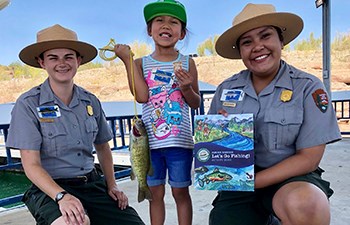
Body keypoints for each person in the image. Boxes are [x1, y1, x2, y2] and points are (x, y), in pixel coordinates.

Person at [208, 3, 341, 225]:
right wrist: (218, 138)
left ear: (281, 41)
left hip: (292, 178)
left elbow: (309, 158)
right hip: (240, 183)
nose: (257, 46)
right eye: (247, 42)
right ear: (240, 51)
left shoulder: (308, 87)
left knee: (307, 205)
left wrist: (253, 181)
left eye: (265, 36)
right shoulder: (226, 89)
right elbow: (213, 155)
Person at [6, 24, 145, 225]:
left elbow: (103, 146)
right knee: (74, 223)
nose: (62, 63)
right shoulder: (28, 104)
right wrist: (61, 196)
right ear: (41, 62)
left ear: (78, 61)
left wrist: (112, 185)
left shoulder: (91, 101)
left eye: (68, 57)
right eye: (53, 57)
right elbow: (31, 164)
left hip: (92, 184)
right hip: (49, 189)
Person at [114, 1, 200, 224]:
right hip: (149, 145)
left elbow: (195, 102)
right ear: (150, 30)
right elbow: (142, 96)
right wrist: (127, 61)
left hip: (180, 143)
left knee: (181, 193)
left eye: (174, 22)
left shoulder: (188, 62)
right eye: (159, 21)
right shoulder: (141, 63)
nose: (166, 26)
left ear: (181, 34)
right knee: (155, 195)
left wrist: (187, 88)